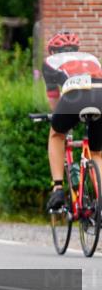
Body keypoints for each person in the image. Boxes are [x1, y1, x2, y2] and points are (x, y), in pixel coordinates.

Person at [41, 31, 102, 213]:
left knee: (56, 135)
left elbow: (53, 97)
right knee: (97, 152)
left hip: (75, 93)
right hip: (101, 93)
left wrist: (57, 116)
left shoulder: (50, 61)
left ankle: (58, 189)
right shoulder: (91, 58)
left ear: (53, 51)